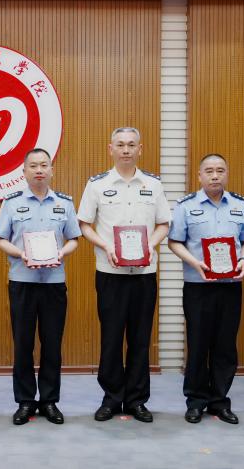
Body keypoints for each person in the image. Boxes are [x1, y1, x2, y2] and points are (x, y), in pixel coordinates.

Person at [77, 127, 169, 423]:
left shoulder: (153, 184)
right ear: (111, 149)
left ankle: (137, 400)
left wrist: (149, 245)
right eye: (120, 145)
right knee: (112, 338)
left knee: (141, 339)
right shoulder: (97, 185)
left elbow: (164, 224)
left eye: (131, 145)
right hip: (110, 273)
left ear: (140, 149)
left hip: (144, 273)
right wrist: (106, 246)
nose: (126, 150)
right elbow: (84, 225)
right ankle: (112, 398)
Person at [0, 148, 80, 425]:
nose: (39, 170)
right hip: (22, 282)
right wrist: (21, 254)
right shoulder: (11, 203)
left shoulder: (64, 203)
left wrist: (61, 253)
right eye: (33, 166)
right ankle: (25, 401)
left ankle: (50, 401)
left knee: (52, 344)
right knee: (23, 344)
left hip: (54, 283)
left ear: (52, 170)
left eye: (44, 165)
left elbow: (74, 239)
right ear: (24, 171)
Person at [168, 154, 244, 425]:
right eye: (209, 171)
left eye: (220, 170)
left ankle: (219, 401)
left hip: (230, 286)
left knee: (225, 345)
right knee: (198, 345)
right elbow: (174, 242)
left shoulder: (240, 205)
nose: (215, 176)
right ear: (199, 175)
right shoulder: (185, 206)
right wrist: (195, 262)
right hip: (198, 286)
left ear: (227, 174)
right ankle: (195, 401)